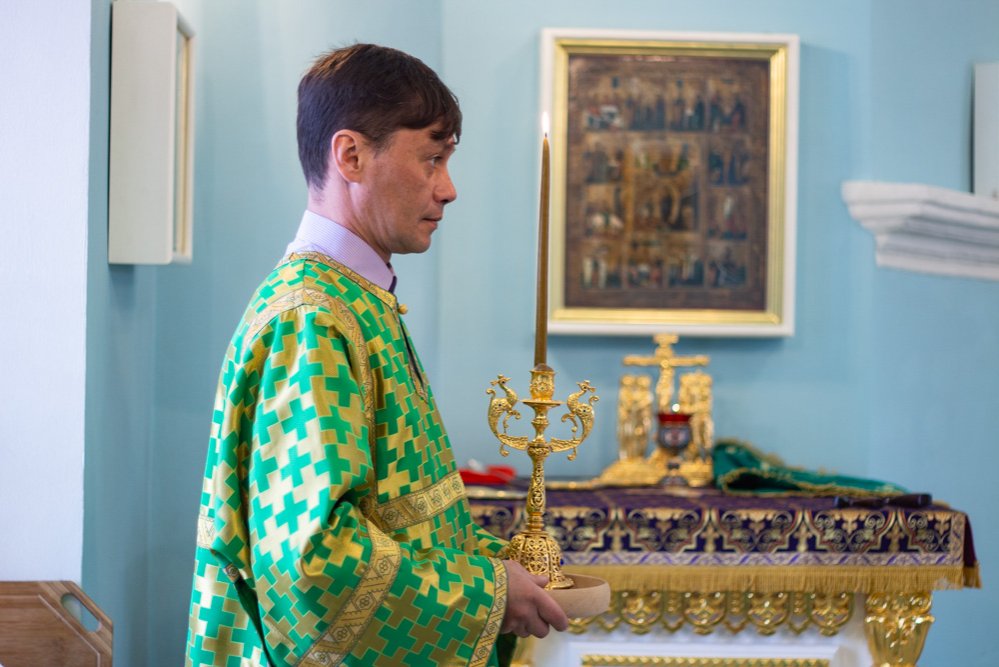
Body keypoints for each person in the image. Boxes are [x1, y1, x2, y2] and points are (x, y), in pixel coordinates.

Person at [186, 43, 568, 667]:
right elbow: (312, 563)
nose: (448, 189)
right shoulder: (311, 319)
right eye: (432, 159)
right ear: (352, 156)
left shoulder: (357, 299)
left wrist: (495, 566)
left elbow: (399, 516)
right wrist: (486, 595)